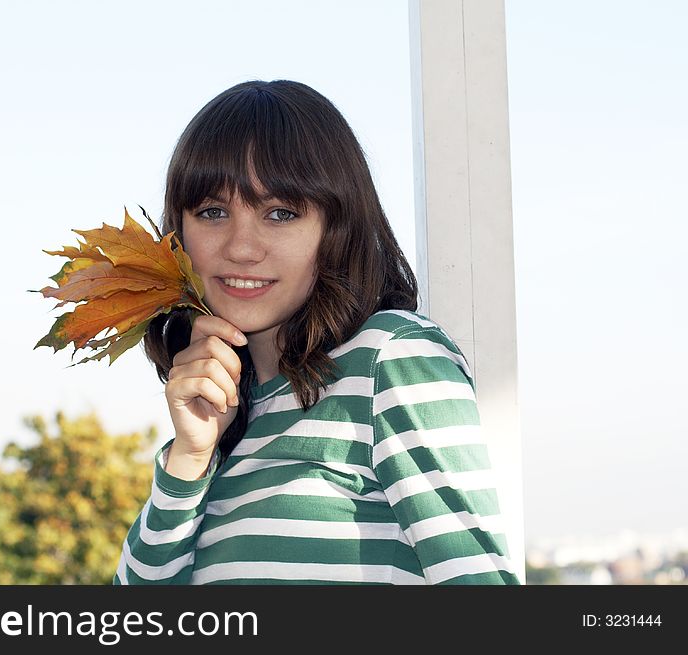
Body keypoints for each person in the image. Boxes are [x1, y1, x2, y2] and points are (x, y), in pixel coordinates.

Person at [113, 79, 520, 585]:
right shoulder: (223, 420)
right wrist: (190, 457)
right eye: (213, 212)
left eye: (280, 213)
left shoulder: (390, 358)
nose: (241, 247)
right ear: (179, 232)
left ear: (336, 227)